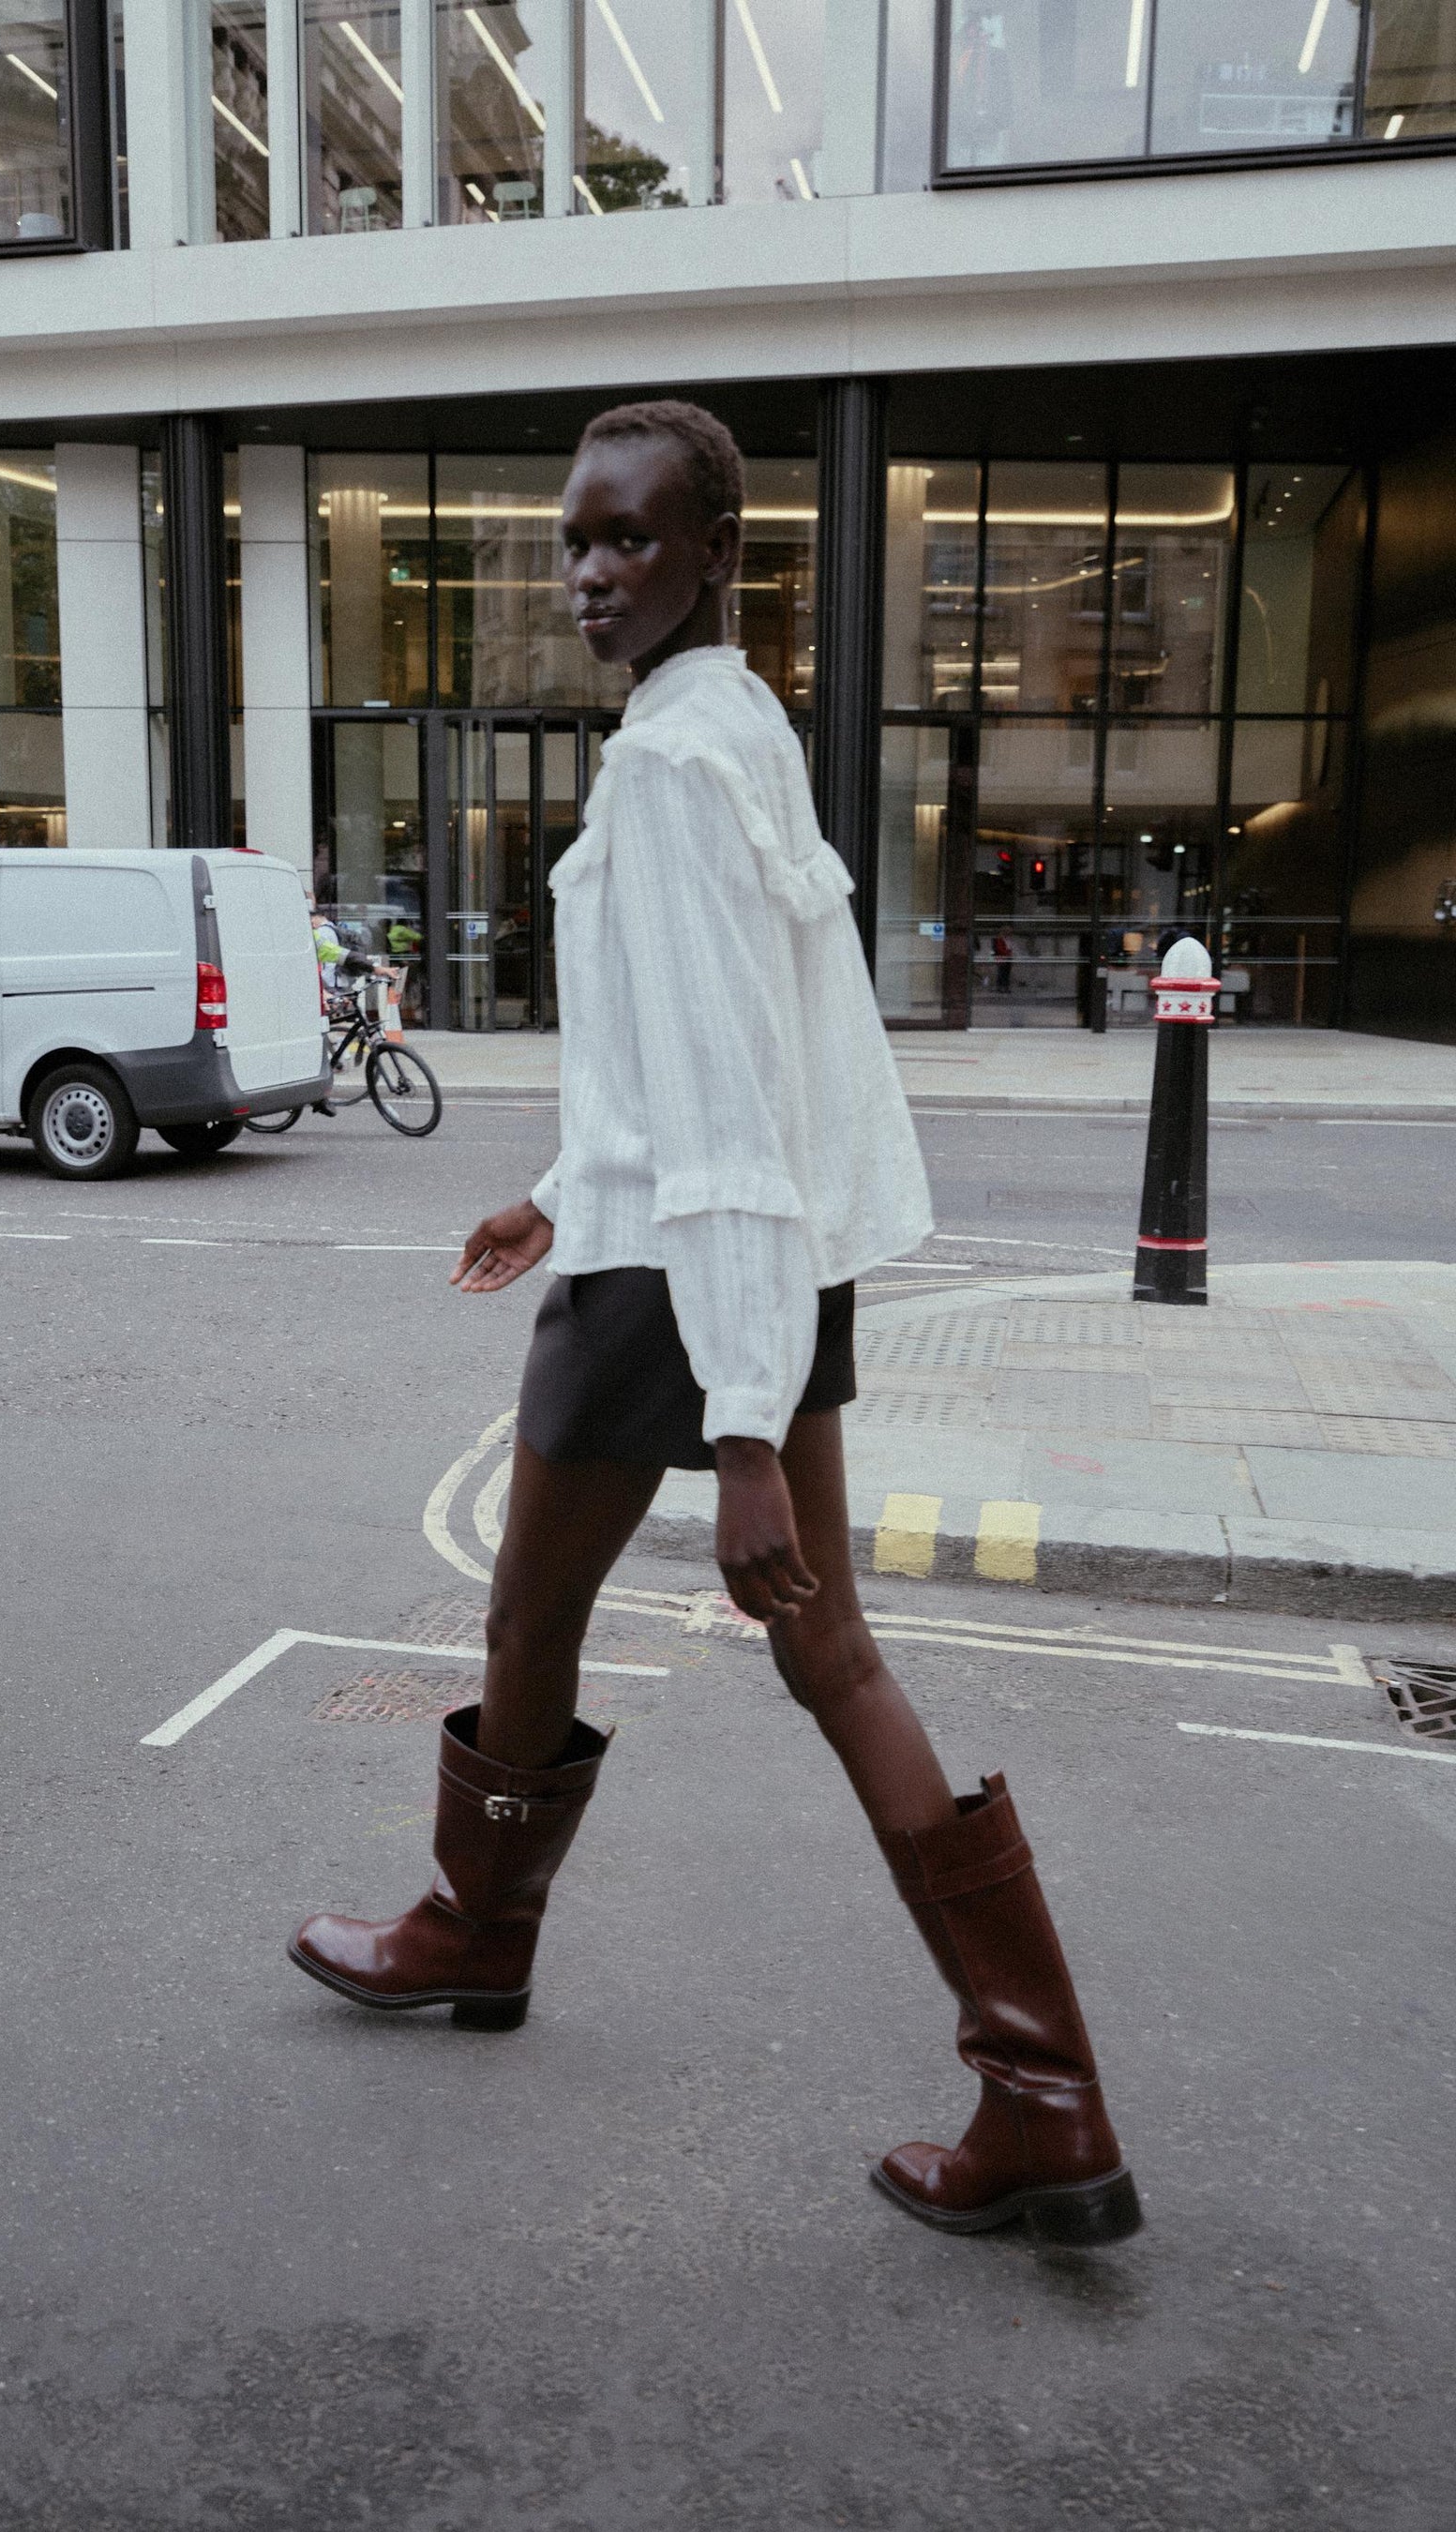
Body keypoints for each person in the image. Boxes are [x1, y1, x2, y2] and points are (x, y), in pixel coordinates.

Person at [289, 400, 1140, 2249]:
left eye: (630, 542)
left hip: (689, 1284)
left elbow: (735, 1110)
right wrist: (563, 1189)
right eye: (577, 542)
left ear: (714, 558)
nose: (593, 572)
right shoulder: (729, 728)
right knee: (829, 1656)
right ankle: (1046, 2091)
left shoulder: (675, 766)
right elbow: (693, 1079)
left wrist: (741, 1429)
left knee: (531, 1610)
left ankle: (474, 1933)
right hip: (725, 1256)